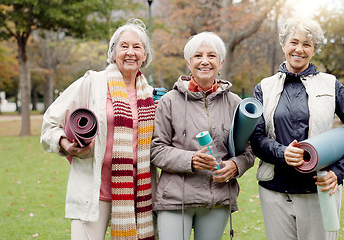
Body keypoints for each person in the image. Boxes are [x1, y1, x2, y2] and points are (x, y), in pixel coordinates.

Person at [250, 17, 344, 240]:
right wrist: (282, 153)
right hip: (274, 191)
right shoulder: (264, 87)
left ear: (314, 50)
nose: (299, 49)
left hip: (319, 191)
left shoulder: (331, 84)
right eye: (294, 42)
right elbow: (256, 138)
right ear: (283, 45)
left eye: (307, 44)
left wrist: (338, 173)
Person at [40, 18, 156, 240]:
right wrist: (67, 145)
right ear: (113, 53)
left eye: (137, 47)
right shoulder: (93, 83)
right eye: (124, 46)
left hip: (136, 193)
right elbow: (49, 124)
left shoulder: (150, 95)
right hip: (94, 192)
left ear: (145, 55)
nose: (130, 52)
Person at [151, 31, 255, 240]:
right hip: (175, 200)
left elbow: (249, 151)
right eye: (198, 56)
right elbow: (157, 149)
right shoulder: (169, 101)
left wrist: (235, 166)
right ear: (189, 63)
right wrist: (191, 159)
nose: (204, 61)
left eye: (211, 55)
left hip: (217, 199)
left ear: (221, 61)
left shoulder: (234, 102)